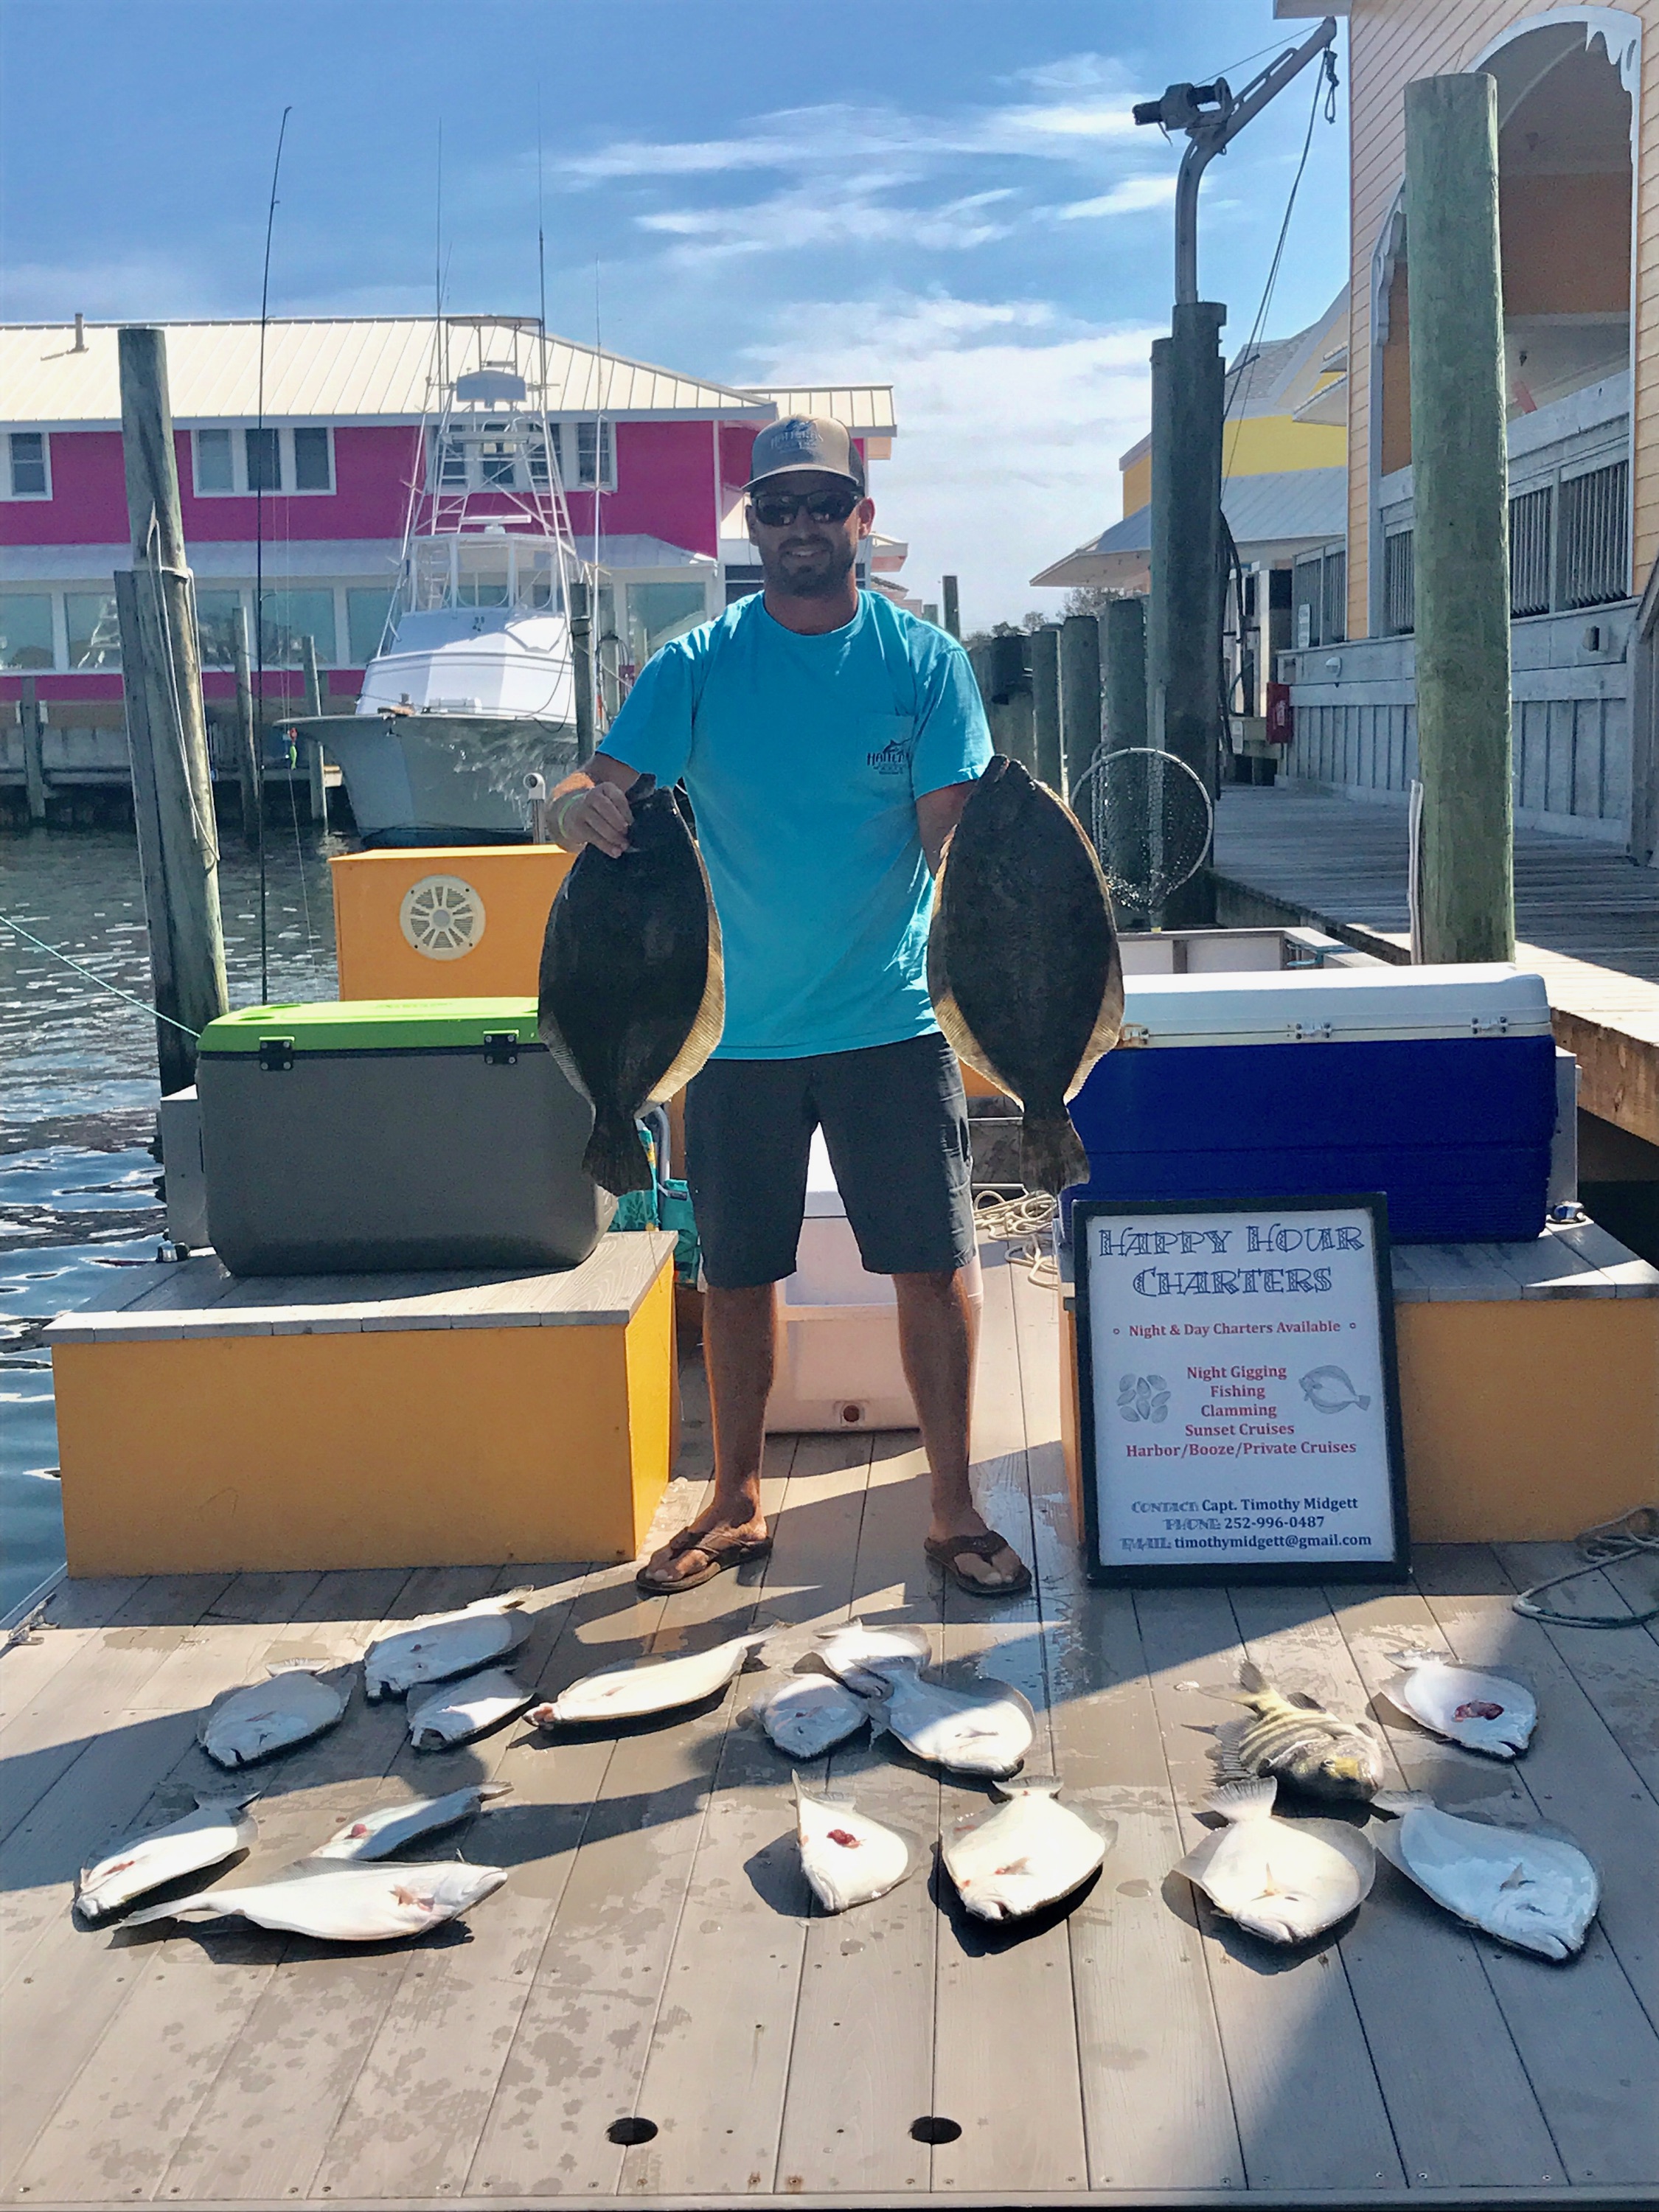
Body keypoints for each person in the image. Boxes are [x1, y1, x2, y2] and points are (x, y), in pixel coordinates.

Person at [547, 414, 1029, 1599]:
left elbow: (951, 839)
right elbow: (592, 784)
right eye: (778, 508)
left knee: (933, 1265)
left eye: (825, 505)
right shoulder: (696, 665)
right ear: (751, 527)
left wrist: (1032, 889)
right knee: (740, 1271)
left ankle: (953, 1503)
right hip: (730, 1032)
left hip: (892, 1019)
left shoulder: (923, 664)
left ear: (862, 522)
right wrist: (571, 810)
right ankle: (735, 1497)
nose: (802, 527)